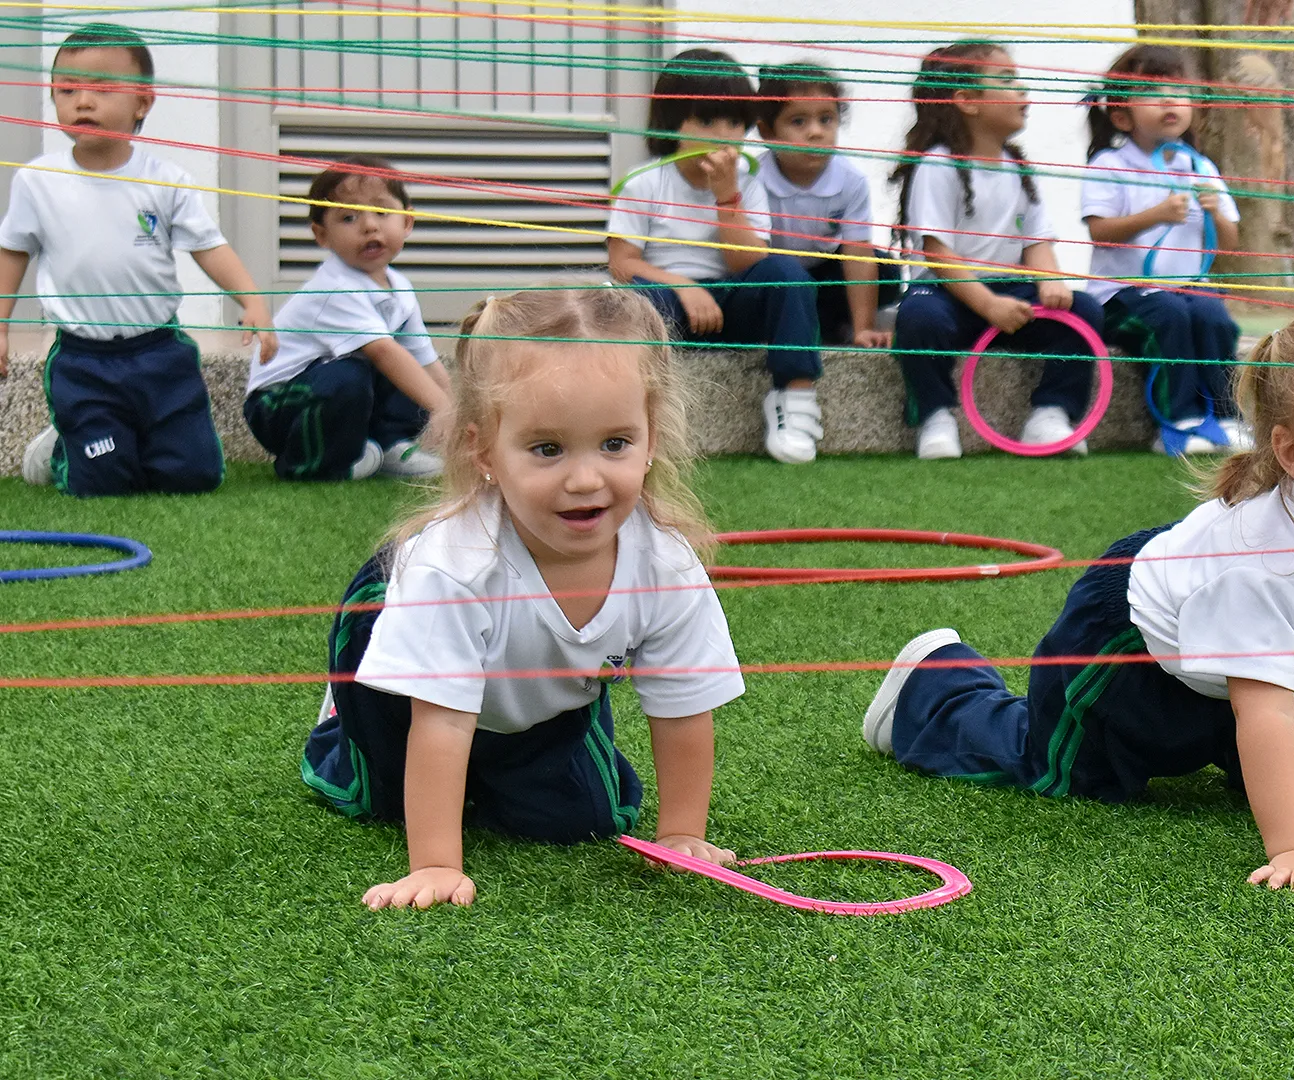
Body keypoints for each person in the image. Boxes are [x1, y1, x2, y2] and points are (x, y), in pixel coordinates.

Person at [862, 296, 1294, 892]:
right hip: (1134, 636)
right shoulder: (1262, 561)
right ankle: (936, 688)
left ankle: (1208, 739)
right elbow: (1264, 710)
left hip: (1267, 674)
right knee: (1069, 772)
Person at [302, 288, 744, 910]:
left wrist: (682, 835)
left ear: (651, 440)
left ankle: (502, 762)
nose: (585, 478)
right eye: (547, 449)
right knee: (377, 798)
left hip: (527, 705)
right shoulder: (454, 566)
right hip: (405, 690)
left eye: (615, 443)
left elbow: (684, 707)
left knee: (590, 815)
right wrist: (435, 865)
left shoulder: (665, 563)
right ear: (484, 451)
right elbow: (443, 717)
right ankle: (338, 722)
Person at [0, 23, 277, 495]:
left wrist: (252, 302)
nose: (82, 102)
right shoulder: (37, 180)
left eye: (102, 89)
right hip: (84, 359)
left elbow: (210, 246)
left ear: (143, 103)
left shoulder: (165, 180)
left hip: (159, 353)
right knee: (104, 481)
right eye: (66, 90)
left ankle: (136, 440)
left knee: (192, 475)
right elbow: (12, 252)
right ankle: (67, 445)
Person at [606, 48, 824, 465]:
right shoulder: (645, 183)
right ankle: (636, 412)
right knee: (630, 299)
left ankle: (794, 401)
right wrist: (684, 287)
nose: (722, 134)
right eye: (706, 120)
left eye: (734, 122)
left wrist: (727, 197)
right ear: (673, 122)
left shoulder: (749, 183)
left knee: (787, 273)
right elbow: (623, 265)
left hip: (732, 300)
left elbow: (748, 262)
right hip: (668, 304)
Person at [890, 40, 1104, 460]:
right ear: (967, 101)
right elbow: (938, 254)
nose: (1023, 91)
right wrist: (988, 305)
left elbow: (1036, 241)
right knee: (918, 317)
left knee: (1084, 310)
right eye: (1007, 81)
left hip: (1009, 292)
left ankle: (1052, 413)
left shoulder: (1019, 169)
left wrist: (1050, 281)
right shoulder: (938, 164)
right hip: (949, 293)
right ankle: (934, 415)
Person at [1081, 43, 1248, 457]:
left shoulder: (1200, 167)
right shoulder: (1109, 165)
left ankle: (1226, 415)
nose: (1171, 100)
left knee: (1215, 318)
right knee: (1168, 316)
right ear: (1121, 115)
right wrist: (1155, 215)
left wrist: (1217, 216)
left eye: (1179, 90)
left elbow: (1228, 246)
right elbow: (1100, 233)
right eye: (1153, 92)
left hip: (1188, 287)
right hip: (1121, 295)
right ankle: (1178, 419)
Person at [244, 157, 450, 481]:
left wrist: (464, 416)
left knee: (404, 365)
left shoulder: (400, 286)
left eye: (382, 213)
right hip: (277, 403)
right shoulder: (336, 288)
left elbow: (425, 361)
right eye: (349, 217)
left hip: (328, 386)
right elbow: (383, 352)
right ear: (322, 235)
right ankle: (315, 464)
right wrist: (443, 410)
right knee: (358, 371)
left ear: (407, 221)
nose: (369, 226)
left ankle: (390, 445)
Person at [753, 61, 895, 350]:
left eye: (826, 119)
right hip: (774, 276)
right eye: (798, 122)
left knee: (888, 273)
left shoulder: (849, 180)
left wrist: (864, 328)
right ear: (767, 132)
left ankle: (834, 325)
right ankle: (788, 325)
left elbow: (858, 255)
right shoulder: (753, 178)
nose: (815, 132)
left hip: (823, 271)